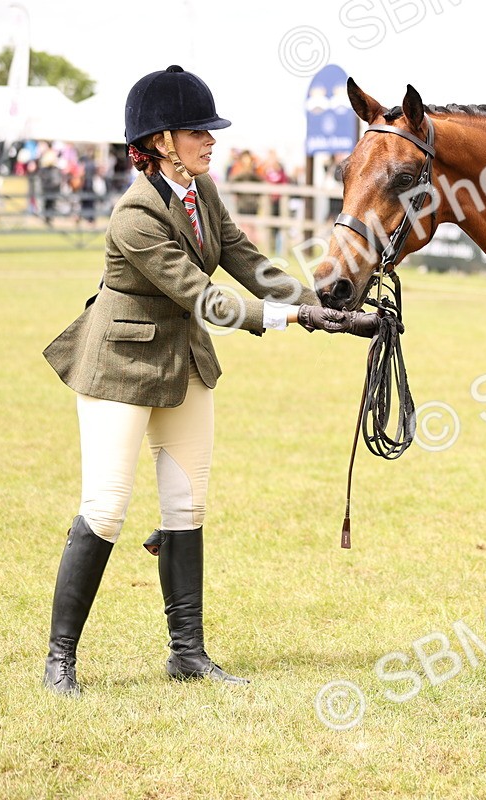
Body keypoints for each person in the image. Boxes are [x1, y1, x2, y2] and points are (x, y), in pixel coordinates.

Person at [40, 65, 379, 697]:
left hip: (184, 362)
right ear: (163, 140)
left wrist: (323, 307)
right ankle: (60, 657)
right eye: (200, 131)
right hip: (120, 365)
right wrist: (294, 317)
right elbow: (205, 298)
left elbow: (246, 261)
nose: (212, 140)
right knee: (107, 507)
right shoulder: (135, 216)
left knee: (186, 506)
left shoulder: (202, 192)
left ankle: (187, 652)